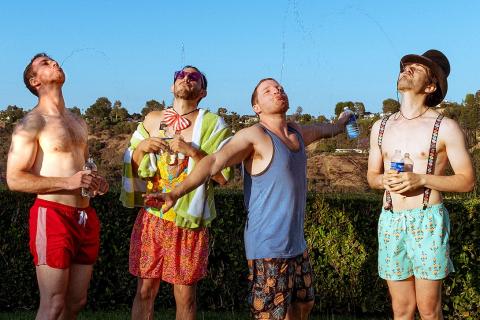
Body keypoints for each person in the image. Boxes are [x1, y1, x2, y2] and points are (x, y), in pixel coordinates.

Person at [144, 78, 350, 320]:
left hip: (296, 245)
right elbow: (213, 162)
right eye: (267, 90)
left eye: (279, 88)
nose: (277, 91)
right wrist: (175, 192)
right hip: (269, 247)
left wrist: (343, 121)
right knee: (271, 316)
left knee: (303, 304)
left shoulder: (297, 133)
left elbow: (327, 129)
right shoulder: (253, 135)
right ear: (256, 107)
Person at [367, 50, 475, 320]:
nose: (408, 69)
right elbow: (372, 177)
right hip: (391, 221)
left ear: (430, 86)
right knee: (401, 310)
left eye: (418, 68)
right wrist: (383, 181)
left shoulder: (446, 127)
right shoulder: (380, 127)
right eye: (407, 66)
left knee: (429, 310)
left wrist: (422, 179)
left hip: (427, 220)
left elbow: (467, 181)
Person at [120, 65, 232, 319]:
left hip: (187, 222)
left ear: (202, 91)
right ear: (172, 86)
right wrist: (141, 149)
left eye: (194, 77)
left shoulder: (214, 125)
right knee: (145, 291)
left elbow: (223, 177)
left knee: (185, 297)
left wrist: (193, 150)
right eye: (180, 75)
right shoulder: (151, 119)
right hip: (152, 217)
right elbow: (133, 168)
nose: (185, 79)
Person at [6, 53, 109, 320]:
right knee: (54, 304)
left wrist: (96, 181)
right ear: (34, 80)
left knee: (76, 302)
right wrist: (68, 182)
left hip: (85, 216)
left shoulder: (78, 121)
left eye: (53, 60)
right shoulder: (31, 123)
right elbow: (14, 179)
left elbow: (84, 168)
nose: (54, 63)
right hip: (52, 215)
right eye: (44, 63)